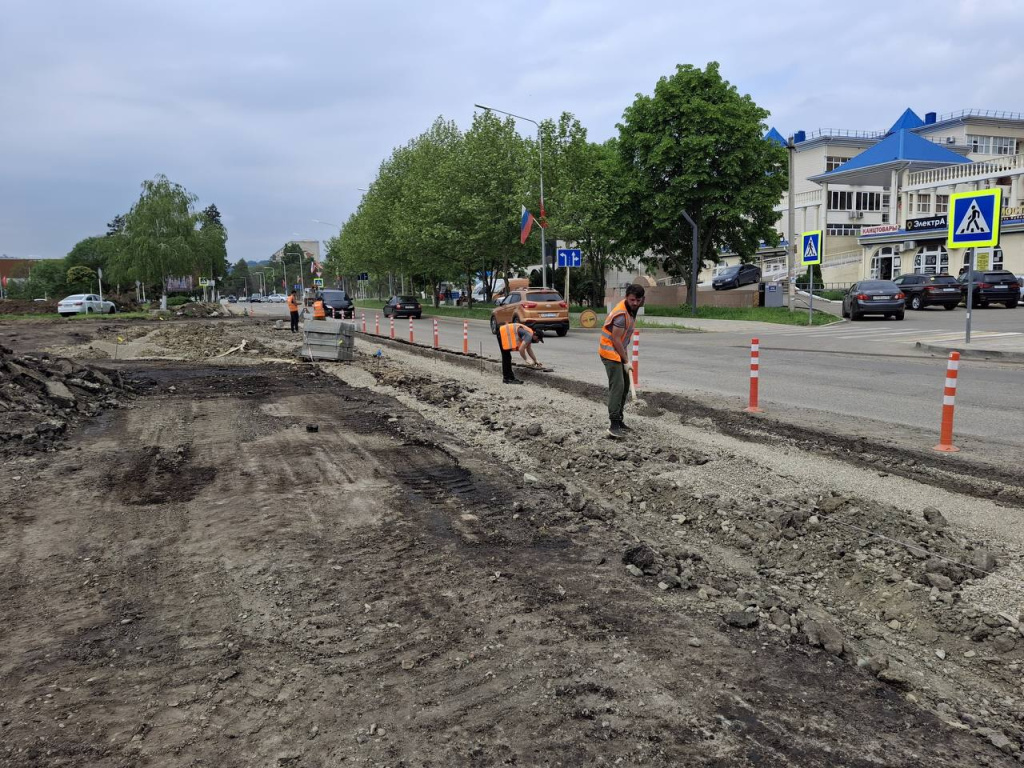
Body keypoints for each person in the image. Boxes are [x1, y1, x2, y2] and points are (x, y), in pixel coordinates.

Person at [599, 284, 645, 439]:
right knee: (617, 386)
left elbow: (623, 340)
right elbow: (616, 340)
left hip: (619, 352)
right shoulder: (621, 314)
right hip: (609, 352)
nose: (635, 303)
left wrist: (625, 357)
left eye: (638, 300)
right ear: (626, 297)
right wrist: (626, 360)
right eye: (632, 300)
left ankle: (619, 420)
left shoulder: (632, 309)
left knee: (625, 385)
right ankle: (613, 425)